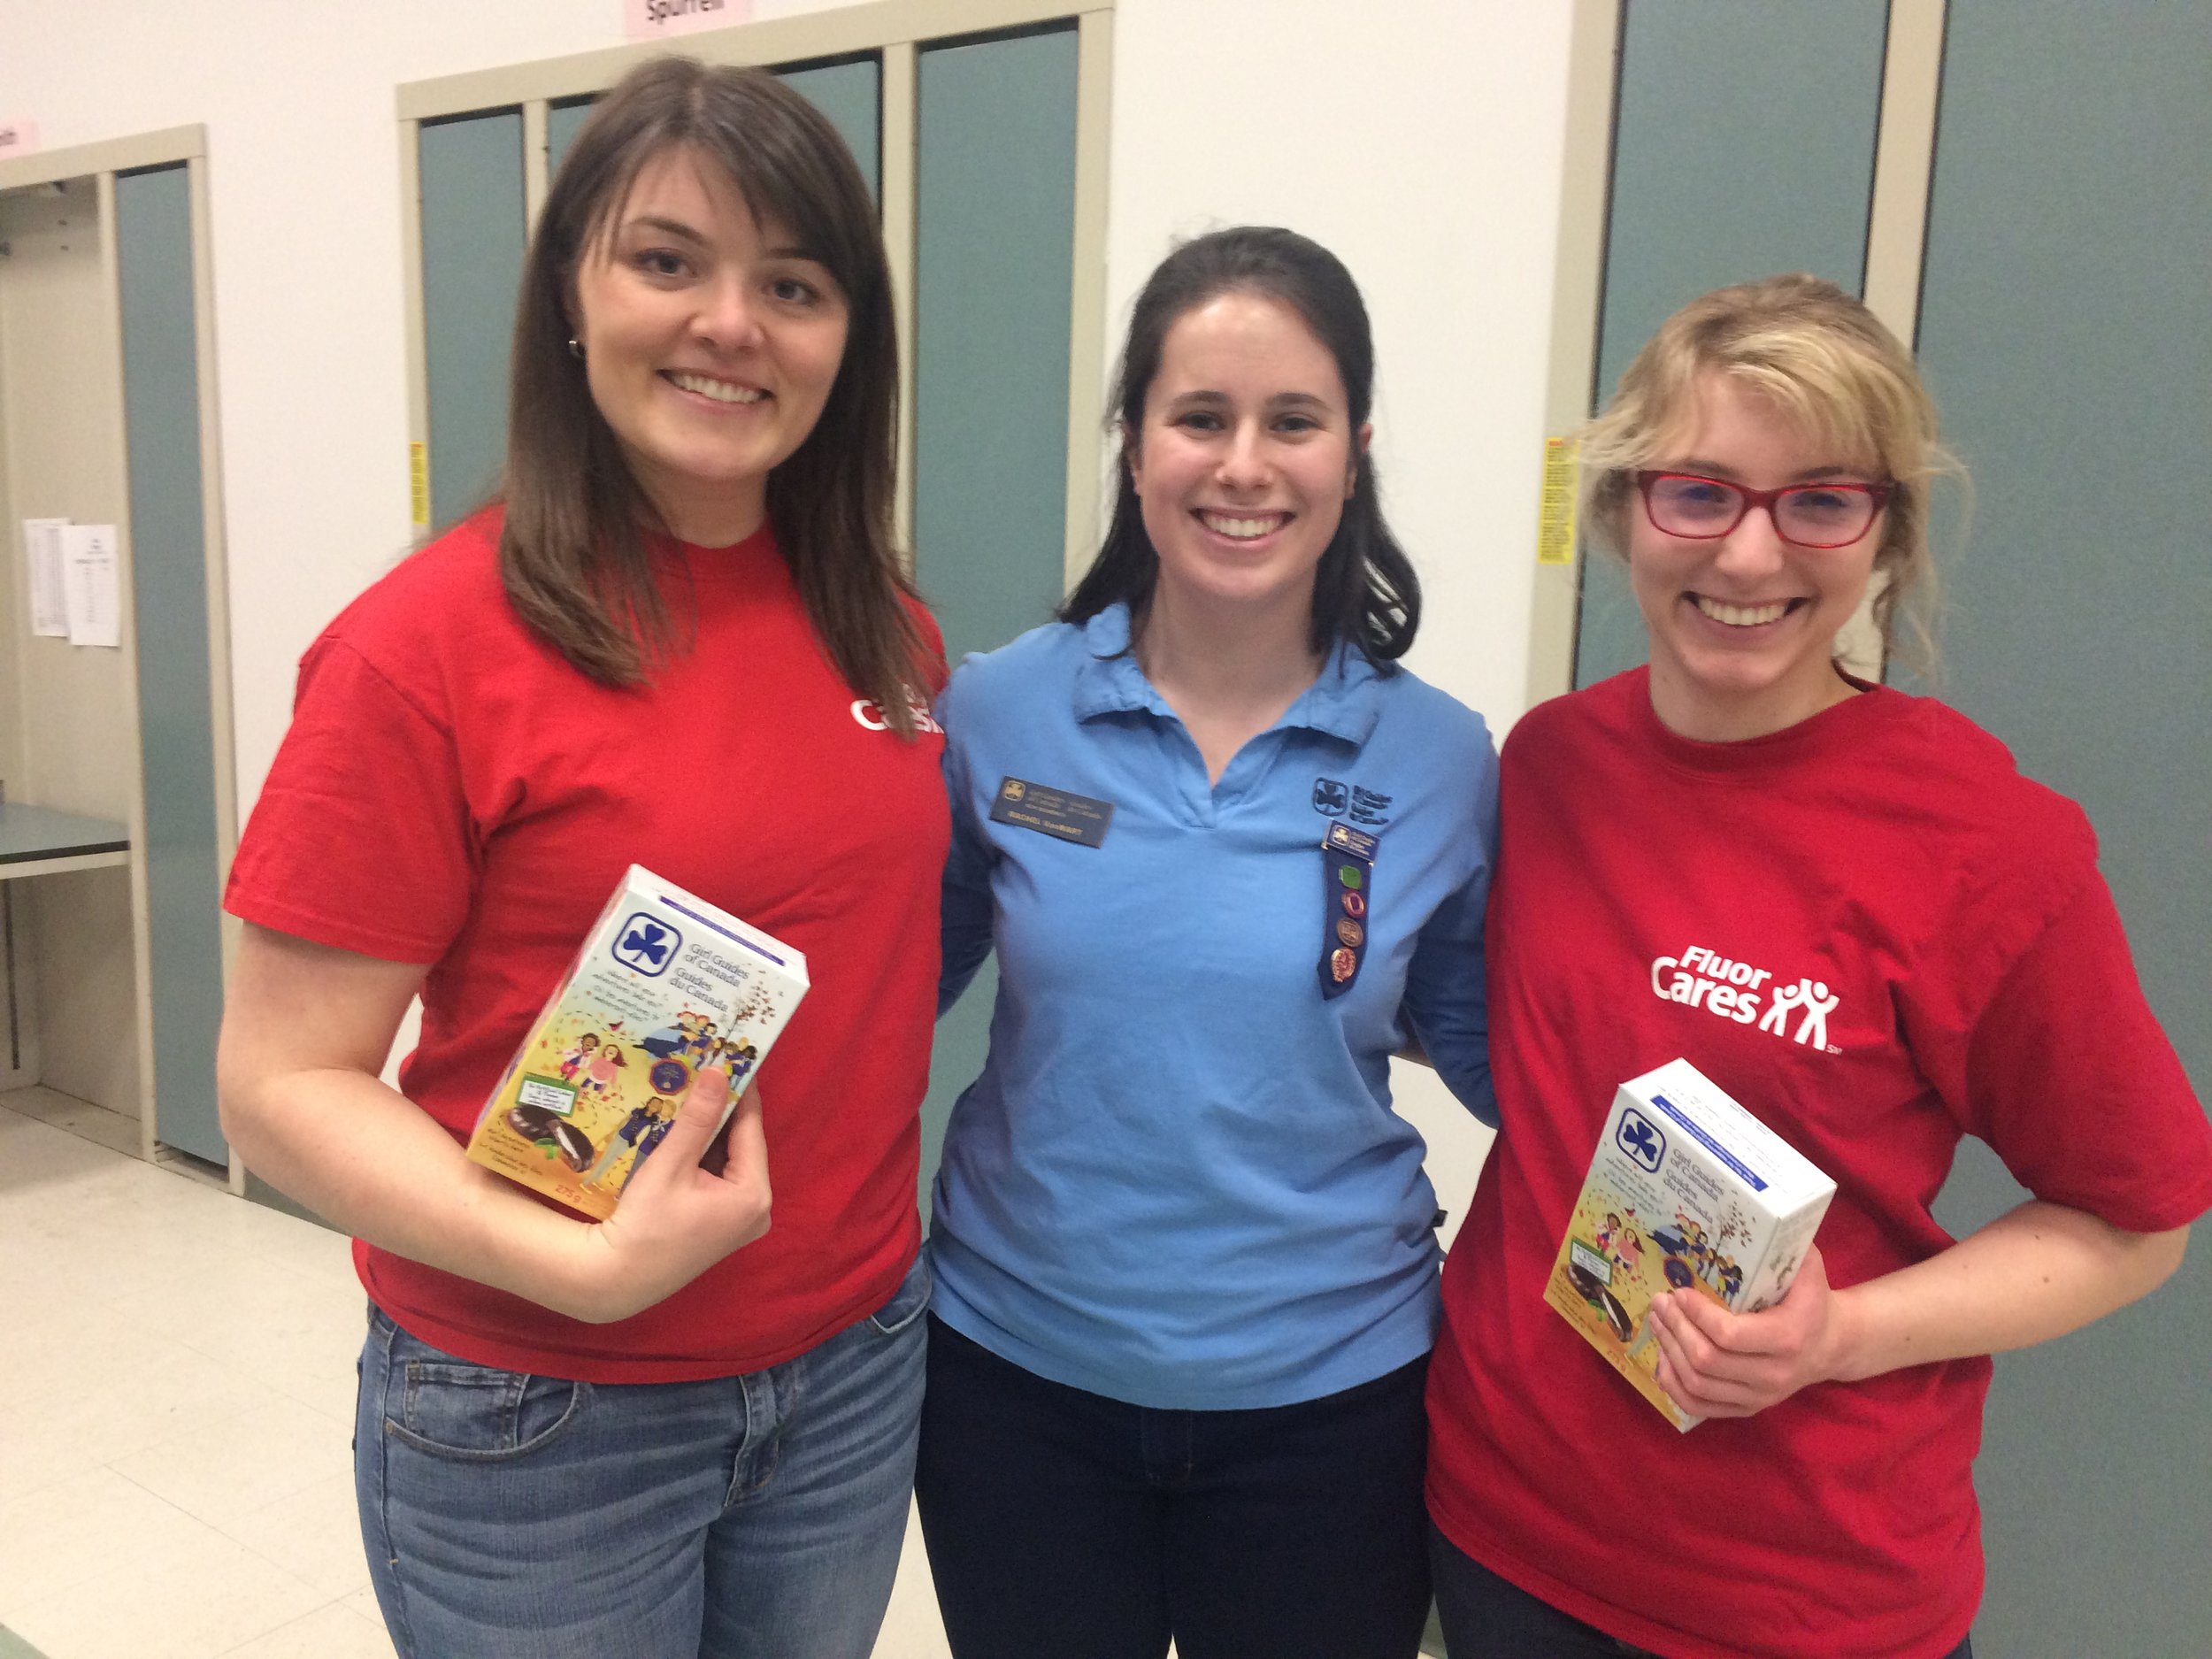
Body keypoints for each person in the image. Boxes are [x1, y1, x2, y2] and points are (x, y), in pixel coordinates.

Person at [215, 58, 947, 1659]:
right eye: (668, 260)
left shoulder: (887, 633)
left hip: (849, 1366)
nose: (731, 324)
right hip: (542, 1407)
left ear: (849, 341)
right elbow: (278, 1086)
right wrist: (575, 1264)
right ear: (571, 294)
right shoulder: (422, 651)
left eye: (795, 283)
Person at [1423, 273, 2212, 1659]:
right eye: (1701, 493)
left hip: (1801, 1596)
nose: (1748, 557)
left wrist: (1838, 1334)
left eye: (1820, 501)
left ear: (1885, 534)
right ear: (1621, 512)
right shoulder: (1547, 768)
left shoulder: (1986, 846)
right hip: (1502, 1525)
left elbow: (2132, 1222)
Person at [917, 227, 1499, 1659]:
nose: (1245, 465)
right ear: (1134, 446)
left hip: (1334, 1404)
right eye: (1200, 418)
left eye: (1292, 421)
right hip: (1017, 1380)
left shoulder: (1440, 757)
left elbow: (1502, 1050)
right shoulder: (1000, 713)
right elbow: (885, 987)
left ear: (1351, 453)